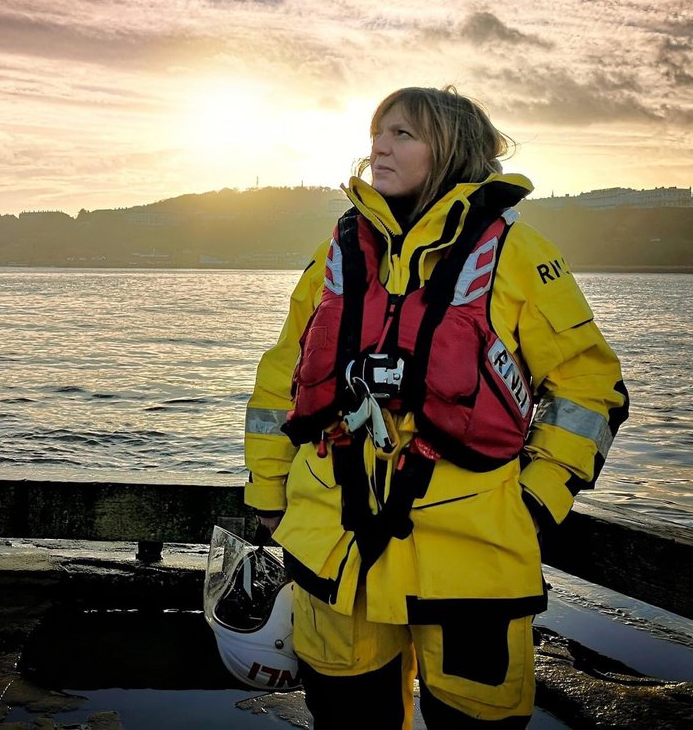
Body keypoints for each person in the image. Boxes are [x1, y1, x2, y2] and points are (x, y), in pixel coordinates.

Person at [243, 86, 628, 728]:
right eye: (378, 131)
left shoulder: (518, 255)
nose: (379, 146)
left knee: (477, 720)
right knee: (346, 719)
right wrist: (267, 490)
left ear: (449, 150)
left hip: (471, 553)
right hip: (333, 545)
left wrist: (536, 498)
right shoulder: (335, 255)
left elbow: (590, 389)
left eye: (402, 134)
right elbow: (280, 381)